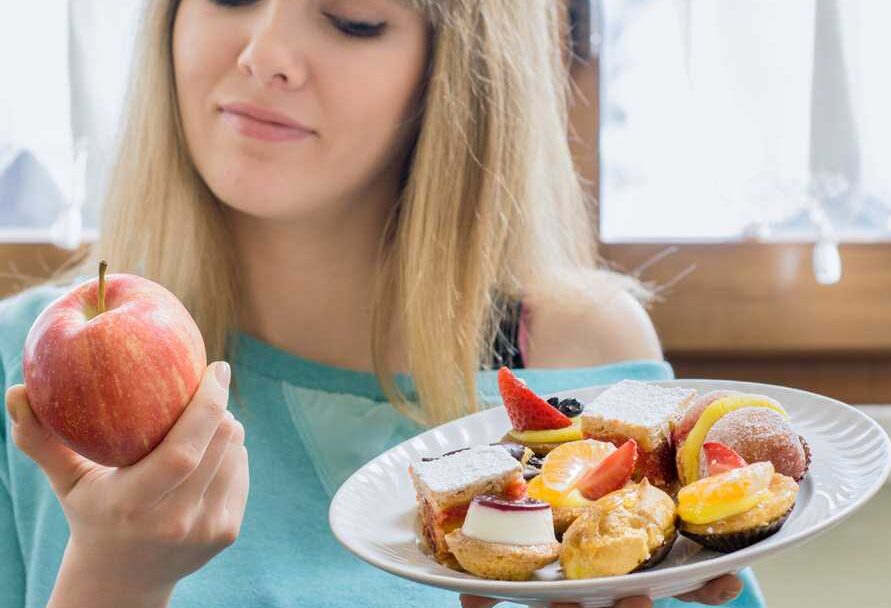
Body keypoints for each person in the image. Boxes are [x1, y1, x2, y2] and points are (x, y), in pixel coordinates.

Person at [0, 1, 764, 606]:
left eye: (352, 19)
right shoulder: (28, 371)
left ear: (458, 71)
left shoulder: (580, 347)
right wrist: (115, 584)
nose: (264, 54)